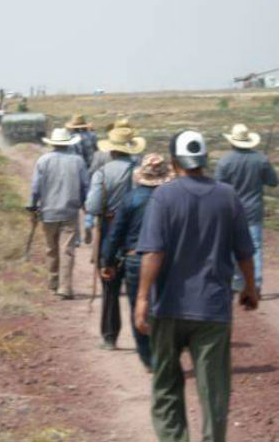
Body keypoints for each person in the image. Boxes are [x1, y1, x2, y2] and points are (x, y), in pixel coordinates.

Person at [135, 130, 259, 442]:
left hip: (169, 307)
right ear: (203, 160)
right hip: (213, 309)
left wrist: (141, 300)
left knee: (166, 384)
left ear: (174, 162)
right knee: (214, 388)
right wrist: (250, 287)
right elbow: (245, 251)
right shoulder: (227, 196)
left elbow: (153, 253)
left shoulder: (163, 196)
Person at [101, 153, 174, 371]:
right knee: (165, 307)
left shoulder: (131, 199)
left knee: (138, 307)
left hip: (135, 259)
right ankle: (163, 353)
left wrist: (108, 260)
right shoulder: (172, 198)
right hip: (166, 259)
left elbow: (116, 234)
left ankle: (148, 358)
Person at [85, 127, 146, 349]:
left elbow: (91, 206)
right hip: (137, 233)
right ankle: (142, 337)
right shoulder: (140, 172)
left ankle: (110, 337)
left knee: (109, 285)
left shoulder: (101, 173)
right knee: (138, 287)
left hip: (109, 230)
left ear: (111, 150)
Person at [215, 123, 279, 296]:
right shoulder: (261, 159)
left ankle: (237, 282)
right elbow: (273, 181)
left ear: (232, 142)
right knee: (255, 248)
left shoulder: (225, 161)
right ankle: (256, 284)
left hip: (231, 211)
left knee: (231, 248)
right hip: (254, 211)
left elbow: (217, 188)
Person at [28, 128, 89, 300]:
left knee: (51, 249)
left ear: (53, 143)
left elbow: (35, 188)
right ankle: (65, 287)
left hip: (48, 212)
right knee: (67, 250)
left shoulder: (43, 161)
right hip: (69, 212)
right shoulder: (78, 161)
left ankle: (53, 283)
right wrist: (86, 206)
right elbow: (86, 186)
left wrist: (32, 206)